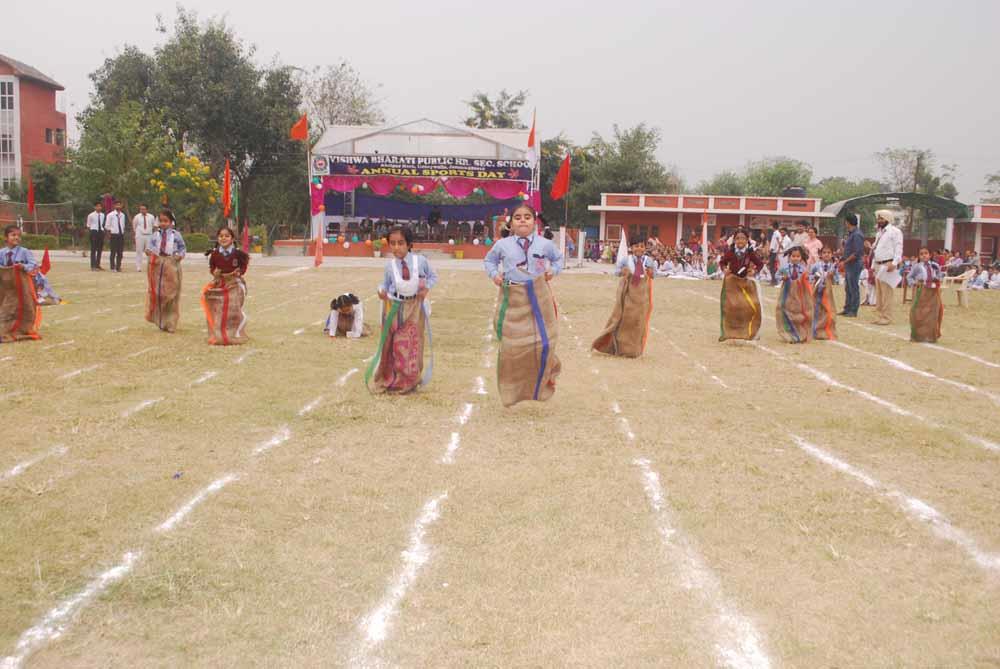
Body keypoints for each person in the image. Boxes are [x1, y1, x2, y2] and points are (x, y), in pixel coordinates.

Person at [484, 203, 563, 407]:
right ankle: (513, 390)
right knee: (511, 345)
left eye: (527, 216)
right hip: (513, 296)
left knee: (545, 342)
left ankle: (546, 375)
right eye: (517, 217)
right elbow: (489, 261)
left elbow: (558, 259)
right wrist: (495, 275)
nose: (522, 220)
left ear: (534, 220)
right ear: (511, 222)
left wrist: (553, 271)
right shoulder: (503, 244)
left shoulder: (544, 244)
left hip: (539, 295)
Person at [366, 225, 437, 394]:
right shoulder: (390, 266)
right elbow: (386, 283)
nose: (396, 247)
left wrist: (426, 287)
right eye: (393, 243)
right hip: (393, 306)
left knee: (409, 345)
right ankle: (389, 378)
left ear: (409, 244)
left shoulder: (420, 261)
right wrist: (381, 290)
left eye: (401, 243)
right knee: (391, 344)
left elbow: (433, 276)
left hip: (414, 308)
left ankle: (408, 381)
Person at [592, 238, 654, 358]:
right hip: (628, 295)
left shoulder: (648, 261)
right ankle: (620, 347)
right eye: (636, 246)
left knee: (639, 322)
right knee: (624, 320)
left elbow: (653, 275)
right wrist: (623, 272)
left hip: (641, 297)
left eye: (641, 246)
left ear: (645, 248)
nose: (639, 249)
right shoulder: (626, 260)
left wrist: (650, 272)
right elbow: (616, 272)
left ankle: (634, 350)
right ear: (631, 248)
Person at [200, 226, 250, 345]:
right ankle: (218, 331)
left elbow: (244, 265)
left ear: (232, 238)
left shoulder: (238, 253)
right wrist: (214, 273)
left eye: (227, 236)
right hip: (220, 283)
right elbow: (212, 268)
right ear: (217, 239)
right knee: (217, 306)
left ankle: (237, 327)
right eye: (221, 236)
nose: (223, 238)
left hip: (234, 283)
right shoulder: (215, 254)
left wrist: (239, 272)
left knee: (232, 305)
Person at [718, 227, 764, 342]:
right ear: (734, 240)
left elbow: (760, 264)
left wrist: (754, 271)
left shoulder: (750, 253)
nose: (740, 241)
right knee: (730, 307)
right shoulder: (730, 252)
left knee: (751, 306)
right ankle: (727, 332)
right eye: (737, 238)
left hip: (746, 283)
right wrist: (724, 269)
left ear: (747, 240)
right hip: (732, 283)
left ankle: (749, 331)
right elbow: (722, 262)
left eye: (743, 238)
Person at [0, 225, 45, 342]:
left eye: (19, 235)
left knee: (26, 307)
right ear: (6, 237)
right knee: (8, 308)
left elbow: (33, 265)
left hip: (22, 287)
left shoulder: (24, 252)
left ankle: (24, 328)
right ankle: (7, 329)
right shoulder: (2, 252)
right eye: (13, 235)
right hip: (8, 287)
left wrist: (23, 266)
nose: (17, 237)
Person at [145, 209, 186, 333]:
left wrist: (179, 255)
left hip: (171, 264)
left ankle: (171, 321)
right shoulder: (155, 235)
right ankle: (161, 320)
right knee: (158, 294)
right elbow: (150, 246)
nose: (163, 223)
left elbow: (182, 248)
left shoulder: (176, 235)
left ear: (171, 222)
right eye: (161, 221)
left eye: (165, 221)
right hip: (157, 265)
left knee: (171, 294)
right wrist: (149, 251)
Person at [870, 209, 903, 325]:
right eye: (878, 218)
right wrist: (873, 264)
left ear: (888, 219)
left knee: (887, 292)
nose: (879, 220)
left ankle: (887, 317)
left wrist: (894, 263)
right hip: (878, 264)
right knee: (879, 292)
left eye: (882, 218)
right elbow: (877, 249)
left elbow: (898, 248)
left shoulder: (895, 231)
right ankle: (880, 315)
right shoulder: (879, 233)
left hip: (888, 264)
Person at [775, 246, 813, 343]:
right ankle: (788, 332)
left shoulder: (803, 269)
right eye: (793, 256)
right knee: (785, 310)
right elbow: (777, 275)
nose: (795, 258)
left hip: (799, 294)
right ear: (789, 257)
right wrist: (782, 278)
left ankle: (799, 332)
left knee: (798, 312)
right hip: (787, 293)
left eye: (798, 256)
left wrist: (808, 278)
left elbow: (809, 277)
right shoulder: (785, 268)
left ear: (801, 257)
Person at [907, 247, 944, 342]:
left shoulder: (935, 265)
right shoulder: (917, 266)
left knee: (933, 313)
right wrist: (914, 283)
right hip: (921, 291)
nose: (924, 255)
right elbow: (909, 277)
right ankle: (917, 335)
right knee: (919, 312)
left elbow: (940, 275)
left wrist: (937, 279)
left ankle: (931, 336)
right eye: (921, 254)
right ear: (919, 256)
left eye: (926, 253)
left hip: (933, 291)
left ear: (930, 255)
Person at [810, 247, 839, 340]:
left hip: (827, 292)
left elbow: (837, 280)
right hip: (817, 291)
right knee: (816, 310)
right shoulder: (816, 265)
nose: (826, 254)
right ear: (820, 255)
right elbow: (809, 275)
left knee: (828, 310)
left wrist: (832, 276)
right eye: (824, 252)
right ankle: (814, 330)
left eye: (829, 252)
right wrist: (815, 277)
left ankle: (826, 330)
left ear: (832, 254)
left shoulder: (833, 267)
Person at [839, 214, 864, 317]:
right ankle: (847, 308)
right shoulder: (851, 234)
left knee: (853, 287)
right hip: (849, 264)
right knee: (848, 287)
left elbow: (857, 252)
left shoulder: (857, 234)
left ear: (848, 222)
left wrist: (845, 261)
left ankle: (853, 310)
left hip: (854, 264)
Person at [106, 200, 128, 272]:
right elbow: (107, 226)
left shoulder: (123, 215)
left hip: (120, 235)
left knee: (120, 252)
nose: (118, 206)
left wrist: (122, 233)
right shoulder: (110, 215)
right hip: (113, 235)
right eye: (117, 205)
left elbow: (123, 225)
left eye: (120, 205)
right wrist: (109, 235)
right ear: (114, 206)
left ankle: (118, 266)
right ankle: (112, 267)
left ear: (121, 206)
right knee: (113, 251)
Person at [133, 204, 156, 272]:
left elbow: (153, 226)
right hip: (140, 235)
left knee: (149, 251)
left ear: (147, 209)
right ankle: (138, 267)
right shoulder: (137, 217)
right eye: (141, 209)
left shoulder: (151, 216)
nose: (142, 210)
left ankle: (149, 266)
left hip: (149, 235)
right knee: (139, 251)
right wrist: (136, 233)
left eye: (144, 209)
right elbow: (134, 225)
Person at [86, 201, 106, 271]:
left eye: (100, 206)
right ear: (94, 207)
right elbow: (88, 225)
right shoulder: (91, 215)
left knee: (100, 249)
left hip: (101, 231)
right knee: (93, 249)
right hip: (94, 231)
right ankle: (93, 266)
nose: (99, 207)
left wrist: (102, 231)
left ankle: (98, 265)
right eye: (97, 206)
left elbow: (102, 224)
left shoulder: (103, 215)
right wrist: (92, 232)